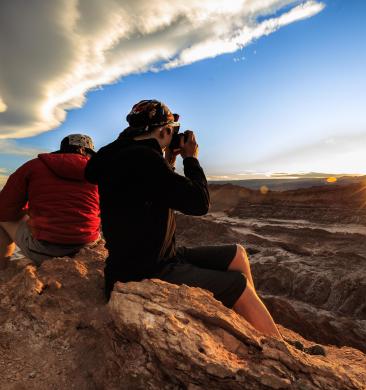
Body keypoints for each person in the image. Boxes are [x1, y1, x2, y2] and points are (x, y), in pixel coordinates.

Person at [85, 99, 282, 338]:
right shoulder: (145, 161)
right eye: (172, 130)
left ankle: (249, 321)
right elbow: (199, 203)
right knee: (238, 284)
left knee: (237, 254)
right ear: (165, 130)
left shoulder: (119, 156)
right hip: (148, 270)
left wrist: (168, 159)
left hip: (153, 257)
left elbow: (152, 188)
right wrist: (191, 158)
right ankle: (277, 346)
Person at [0, 134, 101, 269]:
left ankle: (3, 270)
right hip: (88, 246)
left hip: (44, 252)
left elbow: (4, 209)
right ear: (84, 151)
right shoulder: (99, 172)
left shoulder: (33, 166)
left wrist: (29, 214)